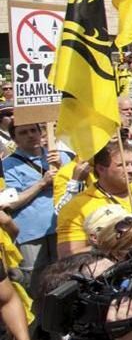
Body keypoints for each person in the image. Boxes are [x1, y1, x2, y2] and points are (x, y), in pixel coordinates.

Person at [57, 143, 132, 257]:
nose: (131, 170)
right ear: (100, 168)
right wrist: (113, 244)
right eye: (122, 165)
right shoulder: (77, 206)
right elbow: (68, 255)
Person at [3, 121, 70, 294]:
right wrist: (42, 184)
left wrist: (62, 170)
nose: (30, 135)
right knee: (35, 281)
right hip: (31, 234)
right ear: (14, 139)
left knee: (63, 276)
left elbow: (74, 186)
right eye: (23, 132)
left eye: (33, 130)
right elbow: (10, 202)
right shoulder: (8, 165)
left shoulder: (59, 157)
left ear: (41, 132)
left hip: (60, 226)